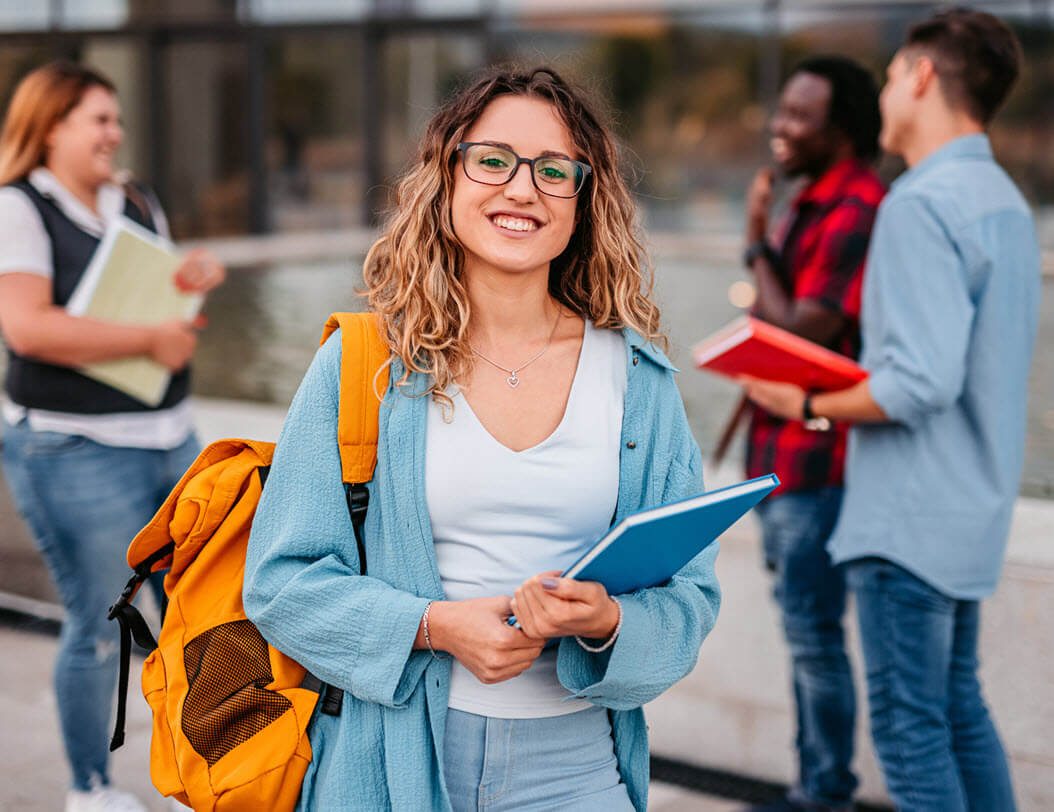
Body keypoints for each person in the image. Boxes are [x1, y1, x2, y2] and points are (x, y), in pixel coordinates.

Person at [243, 67, 720, 812]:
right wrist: (434, 627)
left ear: (583, 201)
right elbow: (280, 583)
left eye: (554, 170)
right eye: (492, 159)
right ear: (447, 178)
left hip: (577, 771)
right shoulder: (364, 363)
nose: (522, 189)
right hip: (392, 765)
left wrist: (608, 622)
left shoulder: (638, 383)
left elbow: (689, 599)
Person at [743, 10, 1038, 811]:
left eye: (889, 75)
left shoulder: (919, 203)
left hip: (905, 523)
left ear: (919, 76)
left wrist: (800, 400)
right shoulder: (1006, 204)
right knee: (958, 713)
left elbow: (916, 383)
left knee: (911, 735)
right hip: (969, 514)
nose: (880, 96)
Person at [0, 62, 225, 812]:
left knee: (202, 617)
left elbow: (162, 306)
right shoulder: (19, 209)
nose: (114, 133)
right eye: (98, 119)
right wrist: (150, 338)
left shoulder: (134, 199)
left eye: (116, 120)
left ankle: (201, 780)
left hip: (170, 437)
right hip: (73, 449)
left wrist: (187, 287)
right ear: (51, 125)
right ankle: (90, 792)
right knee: (102, 623)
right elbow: (28, 328)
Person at [738, 56, 884, 812]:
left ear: (843, 130)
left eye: (800, 116)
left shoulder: (857, 206)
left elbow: (802, 333)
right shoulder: (813, 199)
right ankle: (813, 787)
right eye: (782, 110)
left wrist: (757, 242)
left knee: (813, 638)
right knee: (805, 634)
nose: (781, 127)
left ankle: (824, 794)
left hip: (820, 462)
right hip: (780, 454)